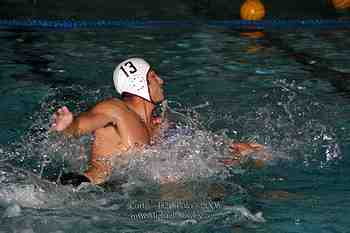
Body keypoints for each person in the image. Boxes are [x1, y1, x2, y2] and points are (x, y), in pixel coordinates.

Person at [50, 57, 266, 187]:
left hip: (122, 199)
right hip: (84, 190)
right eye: (154, 76)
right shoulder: (115, 109)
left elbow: (201, 152)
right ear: (138, 82)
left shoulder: (159, 124)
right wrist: (69, 125)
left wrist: (236, 150)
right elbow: (83, 125)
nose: (161, 81)